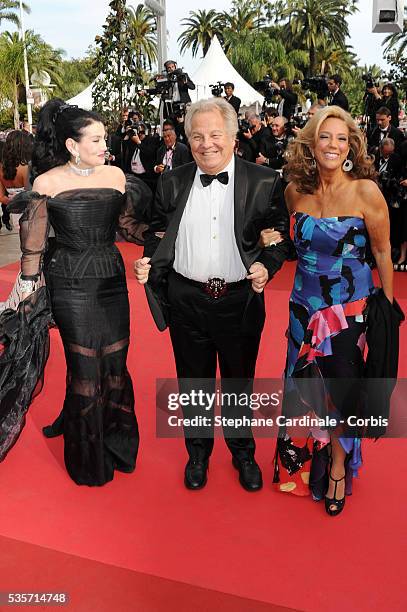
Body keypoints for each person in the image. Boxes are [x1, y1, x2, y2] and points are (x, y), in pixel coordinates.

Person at [135, 98, 291, 492]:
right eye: (198, 136)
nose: (207, 144)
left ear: (234, 136)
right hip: (186, 297)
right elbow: (157, 234)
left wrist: (266, 265)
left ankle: (242, 452)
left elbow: (278, 237)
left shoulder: (264, 180)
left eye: (215, 134)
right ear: (188, 139)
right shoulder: (170, 182)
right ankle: (198, 453)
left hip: (239, 299)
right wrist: (148, 261)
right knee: (193, 381)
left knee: (240, 381)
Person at [1, 99, 142, 486]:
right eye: (95, 139)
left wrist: (167, 244)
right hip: (69, 282)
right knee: (84, 367)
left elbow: (129, 227)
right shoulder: (47, 183)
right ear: (71, 144)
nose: (104, 145)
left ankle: (117, 442)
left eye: (104, 138)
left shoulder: (115, 176)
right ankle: (88, 460)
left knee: (115, 364)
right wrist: (28, 291)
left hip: (111, 280)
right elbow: (33, 247)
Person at [261, 106, 393, 516]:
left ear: (351, 146)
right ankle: (302, 464)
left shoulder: (366, 192)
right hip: (303, 307)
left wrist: (386, 312)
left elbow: (383, 251)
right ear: (311, 144)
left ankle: (337, 467)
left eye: (341, 138)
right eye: (324, 137)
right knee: (304, 390)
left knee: (339, 395)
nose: (333, 145)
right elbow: (292, 243)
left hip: (347, 313)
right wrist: (271, 240)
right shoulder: (293, 193)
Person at [0, 130, 34, 231]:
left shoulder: (1, 169)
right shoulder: (26, 168)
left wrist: (13, 201)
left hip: (15, 213)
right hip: (30, 214)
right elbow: (31, 194)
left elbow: (1, 197)